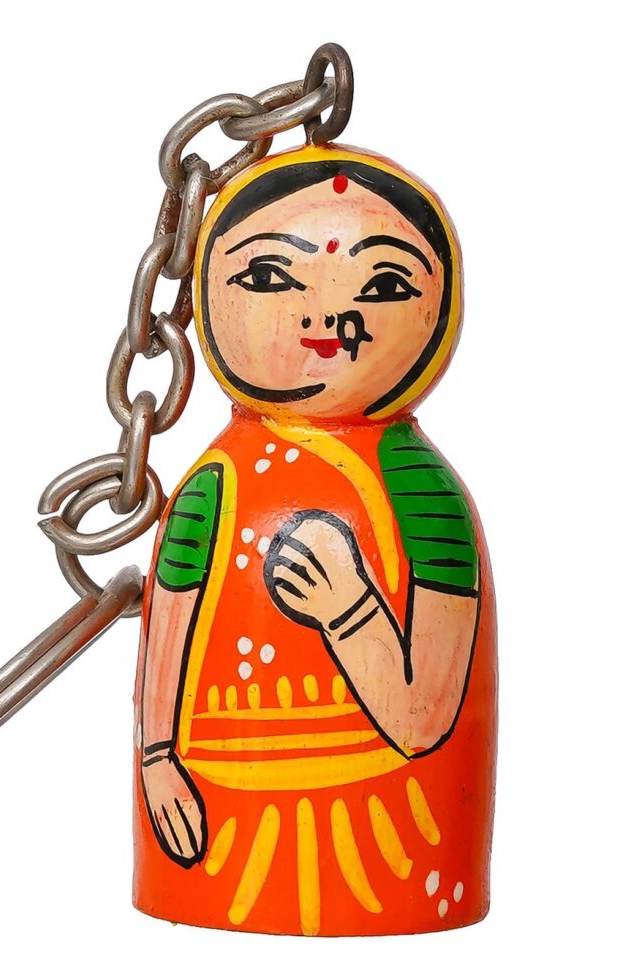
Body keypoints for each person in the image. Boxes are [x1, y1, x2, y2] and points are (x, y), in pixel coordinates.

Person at [133, 143, 496, 936]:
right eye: (270, 276)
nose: (327, 317)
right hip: (217, 823)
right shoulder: (215, 485)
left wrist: (350, 612)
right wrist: (158, 759)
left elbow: (424, 722)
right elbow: (171, 632)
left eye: (386, 285)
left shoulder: (424, 493)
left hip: (394, 839)